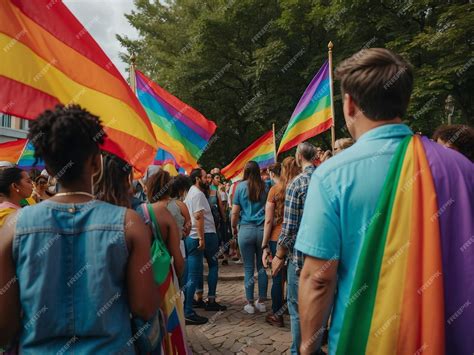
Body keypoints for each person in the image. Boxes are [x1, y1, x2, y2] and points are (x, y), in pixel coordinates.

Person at [295, 48, 474, 355]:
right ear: (403, 101)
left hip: (364, 339)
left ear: (350, 104)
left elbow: (318, 279)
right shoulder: (462, 169)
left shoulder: (331, 176)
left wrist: (306, 348)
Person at [0, 105, 160, 353]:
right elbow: (144, 308)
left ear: (50, 169)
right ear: (97, 163)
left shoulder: (13, 226)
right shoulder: (129, 223)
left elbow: (4, 325)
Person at [271, 141, 317, 355]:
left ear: (299, 157)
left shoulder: (297, 184)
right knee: (319, 307)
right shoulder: (327, 179)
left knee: (297, 308)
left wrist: (279, 255)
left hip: (300, 257)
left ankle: (298, 351)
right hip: (327, 256)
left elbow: (289, 228)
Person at [184, 168, 226, 325]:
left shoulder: (190, 193)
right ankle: (209, 301)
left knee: (194, 272)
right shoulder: (198, 194)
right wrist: (202, 238)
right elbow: (199, 217)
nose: (207, 179)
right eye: (204, 177)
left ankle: (196, 299)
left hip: (193, 236)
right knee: (212, 266)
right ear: (197, 179)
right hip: (204, 235)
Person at [262, 158, 301, 327]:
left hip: (277, 238)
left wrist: (264, 244)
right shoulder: (300, 187)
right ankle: (294, 310)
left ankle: (277, 314)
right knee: (295, 275)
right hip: (297, 237)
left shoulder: (275, 190)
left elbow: (268, 220)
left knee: (277, 277)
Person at [231, 161, 269, 314]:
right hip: (262, 230)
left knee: (248, 267)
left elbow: (234, 213)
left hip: (245, 229)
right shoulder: (266, 186)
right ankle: (261, 301)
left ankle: (250, 303)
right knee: (262, 267)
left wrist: (233, 227)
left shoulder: (240, 187)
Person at [146, 169, 187, 277]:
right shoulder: (175, 207)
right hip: (168, 267)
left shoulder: (143, 210)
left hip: (149, 269)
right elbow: (177, 257)